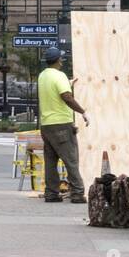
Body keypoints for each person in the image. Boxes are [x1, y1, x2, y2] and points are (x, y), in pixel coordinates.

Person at [36, 46, 89, 204]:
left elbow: (53, 91)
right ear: (59, 60)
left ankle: (51, 193)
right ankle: (78, 193)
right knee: (70, 160)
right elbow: (66, 96)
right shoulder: (59, 76)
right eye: (61, 59)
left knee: (51, 161)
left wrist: (68, 83)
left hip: (46, 125)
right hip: (61, 124)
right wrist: (83, 112)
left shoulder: (43, 76)